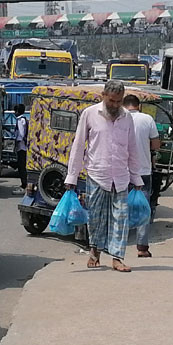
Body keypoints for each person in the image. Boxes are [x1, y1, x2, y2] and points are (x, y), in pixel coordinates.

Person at [65, 80, 143, 272]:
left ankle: (117, 258)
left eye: (119, 101)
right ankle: (95, 252)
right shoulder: (89, 114)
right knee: (96, 218)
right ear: (103, 96)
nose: (115, 105)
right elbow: (78, 146)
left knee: (120, 218)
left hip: (121, 177)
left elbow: (132, 149)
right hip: (96, 174)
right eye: (112, 101)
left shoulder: (127, 118)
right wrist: (72, 176)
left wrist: (137, 177)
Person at [125, 94, 160, 258]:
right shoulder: (147, 119)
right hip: (143, 172)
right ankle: (142, 248)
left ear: (124, 106)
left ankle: (117, 244)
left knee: (120, 207)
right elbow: (156, 144)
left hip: (122, 172)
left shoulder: (119, 118)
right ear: (139, 106)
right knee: (143, 209)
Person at [13, 103, 29, 195]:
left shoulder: (20, 120)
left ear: (18, 111)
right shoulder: (24, 119)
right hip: (24, 146)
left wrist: (18, 140)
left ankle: (24, 185)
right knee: (22, 165)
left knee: (21, 166)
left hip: (21, 146)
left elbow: (21, 133)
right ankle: (24, 183)